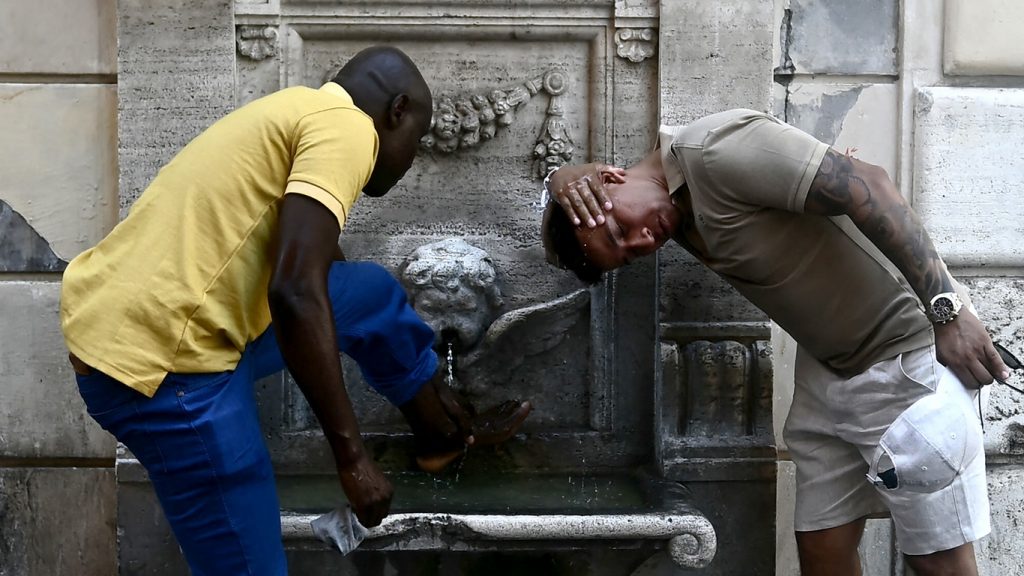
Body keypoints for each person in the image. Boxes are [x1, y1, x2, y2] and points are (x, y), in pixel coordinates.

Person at [60, 46, 529, 576]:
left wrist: (422, 380)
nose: (409, 159)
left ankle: (441, 432)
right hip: (166, 373)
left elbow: (320, 269)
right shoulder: (350, 131)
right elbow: (295, 294)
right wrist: (352, 460)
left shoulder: (299, 107)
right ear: (396, 111)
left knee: (368, 293)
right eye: (416, 142)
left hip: (130, 326)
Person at [542, 109, 1010, 576]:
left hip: (905, 359)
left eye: (620, 230)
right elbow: (572, 209)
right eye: (628, 256)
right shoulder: (672, 203)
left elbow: (868, 183)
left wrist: (948, 311)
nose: (642, 242)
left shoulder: (713, 152)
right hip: (827, 374)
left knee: (938, 564)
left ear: (610, 178)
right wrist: (556, 177)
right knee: (823, 553)